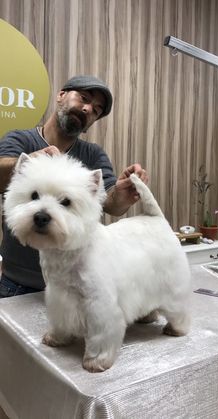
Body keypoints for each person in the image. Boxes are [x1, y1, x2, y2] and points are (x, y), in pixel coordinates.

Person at [0, 75, 148, 298]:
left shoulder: (93, 154)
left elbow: (109, 203)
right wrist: (33, 160)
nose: (88, 109)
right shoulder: (21, 140)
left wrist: (122, 194)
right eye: (84, 98)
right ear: (61, 95)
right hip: (18, 284)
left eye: (96, 110)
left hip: (74, 286)